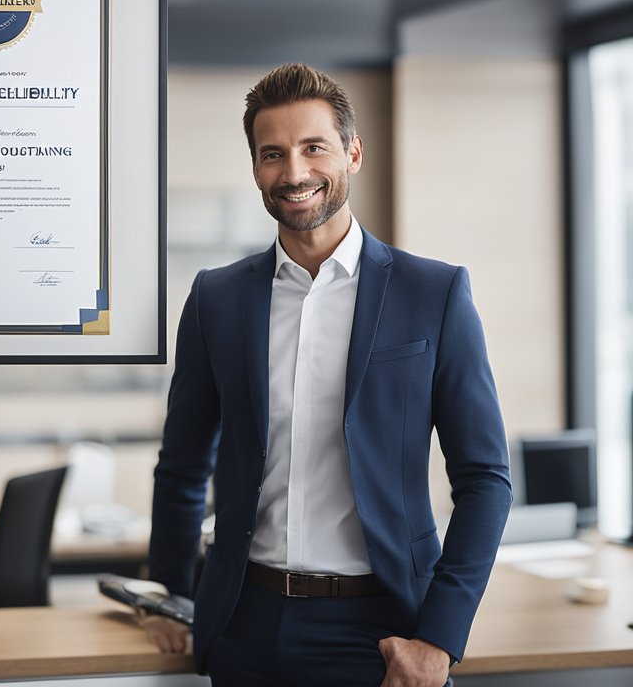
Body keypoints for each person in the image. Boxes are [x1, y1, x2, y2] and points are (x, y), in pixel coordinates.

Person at [146, 63, 511, 686]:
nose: (294, 172)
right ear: (256, 167)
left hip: (382, 628)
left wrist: (440, 637)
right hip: (245, 624)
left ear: (353, 153)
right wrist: (167, 591)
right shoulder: (215, 298)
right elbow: (182, 465)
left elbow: (485, 479)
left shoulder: (435, 293)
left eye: (314, 147)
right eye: (273, 153)